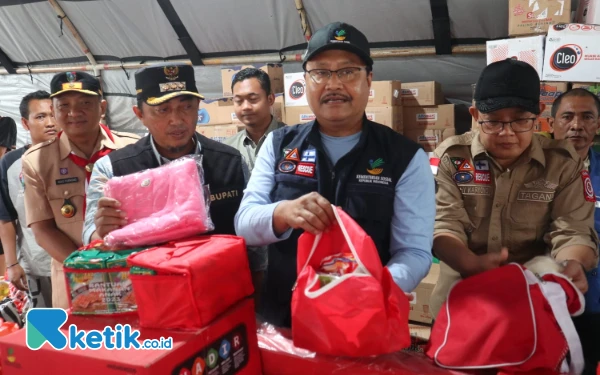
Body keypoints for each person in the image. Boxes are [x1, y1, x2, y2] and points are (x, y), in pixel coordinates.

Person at [235, 22, 435, 327]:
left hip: (364, 320)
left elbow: (414, 251)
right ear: (306, 82)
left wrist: (381, 286)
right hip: (285, 320)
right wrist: (284, 212)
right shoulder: (278, 145)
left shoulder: (404, 158)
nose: (333, 84)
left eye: (347, 71)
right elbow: (244, 224)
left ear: (369, 79)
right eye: (321, 72)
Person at [430, 59, 599, 320]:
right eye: (493, 122)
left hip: (533, 303)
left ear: (538, 115)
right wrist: (469, 263)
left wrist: (571, 263)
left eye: (520, 121)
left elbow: (572, 229)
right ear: (475, 116)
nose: (506, 133)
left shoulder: (563, 164)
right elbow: (444, 222)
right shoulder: (450, 157)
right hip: (461, 301)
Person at [84, 63, 246, 247]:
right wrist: (101, 232)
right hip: (145, 274)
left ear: (198, 107)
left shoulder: (230, 163)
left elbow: (253, 241)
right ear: (139, 114)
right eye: (163, 110)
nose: (177, 120)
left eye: (186, 107)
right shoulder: (112, 168)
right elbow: (90, 234)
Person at [22, 72, 139, 309]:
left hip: (133, 271)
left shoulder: (133, 148)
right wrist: (87, 268)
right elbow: (42, 229)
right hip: (73, 276)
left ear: (102, 107)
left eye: (85, 103)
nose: (74, 113)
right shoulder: (37, 161)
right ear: (54, 112)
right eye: (64, 105)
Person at [549, 88, 600, 375]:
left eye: (587, 117)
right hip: (544, 302)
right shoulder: (529, 171)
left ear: (598, 124)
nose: (577, 125)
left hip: (594, 303)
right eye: (567, 117)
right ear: (551, 122)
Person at [224, 67, 286, 300]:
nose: (245, 107)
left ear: (270, 99)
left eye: (253, 99)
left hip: (284, 248)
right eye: (238, 101)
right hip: (245, 254)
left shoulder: (293, 140)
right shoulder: (228, 149)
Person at [0, 91, 58, 307]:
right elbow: (6, 217)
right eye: (41, 117)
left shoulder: (75, 156)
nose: (50, 123)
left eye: (54, 114)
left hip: (78, 263)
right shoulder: (11, 163)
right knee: (43, 333)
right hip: (37, 265)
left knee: (83, 330)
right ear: (25, 123)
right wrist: (12, 263)